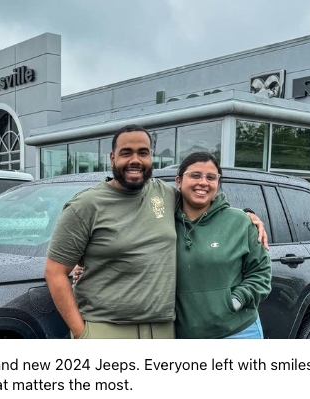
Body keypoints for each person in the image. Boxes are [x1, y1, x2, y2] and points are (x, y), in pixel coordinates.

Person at [45, 124, 267, 339]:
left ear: (151, 156)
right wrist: (82, 334)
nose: (135, 160)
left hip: (164, 330)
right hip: (108, 328)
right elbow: (55, 272)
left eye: (143, 152)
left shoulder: (165, 194)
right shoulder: (85, 205)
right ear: (112, 158)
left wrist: (248, 216)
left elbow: (203, 202)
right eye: (126, 153)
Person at [174, 152, 271, 338]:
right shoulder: (164, 222)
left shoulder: (240, 222)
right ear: (178, 181)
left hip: (239, 332)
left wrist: (234, 301)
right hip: (184, 335)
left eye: (211, 177)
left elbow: (261, 273)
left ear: (217, 183)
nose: (203, 182)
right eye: (195, 175)